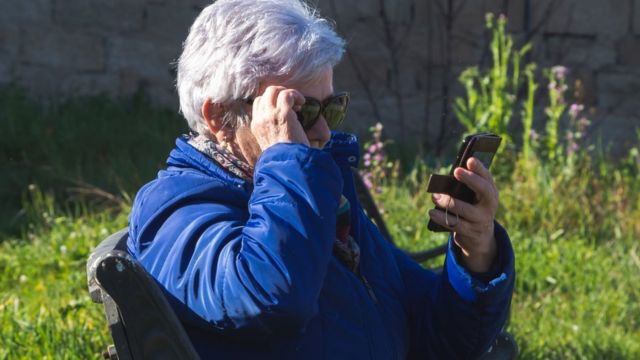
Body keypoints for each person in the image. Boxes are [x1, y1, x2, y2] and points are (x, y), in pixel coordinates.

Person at [127, 0, 515, 358]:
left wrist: (475, 249)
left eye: (331, 108)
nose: (323, 132)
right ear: (217, 119)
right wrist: (289, 161)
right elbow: (270, 301)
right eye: (300, 110)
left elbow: (442, 339)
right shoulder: (172, 208)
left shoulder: (325, 198)